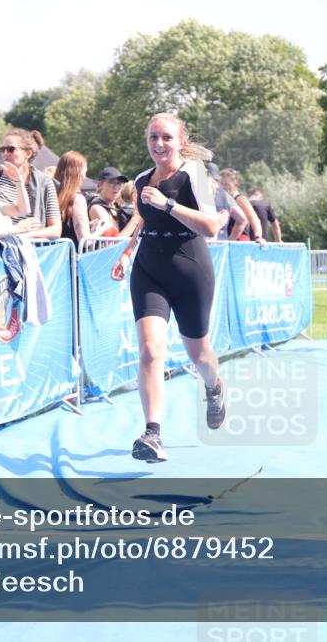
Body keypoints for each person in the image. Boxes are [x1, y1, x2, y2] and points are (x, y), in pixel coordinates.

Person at [110, 112, 226, 463]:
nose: (159, 144)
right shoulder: (142, 179)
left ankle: (214, 385)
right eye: (153, 138)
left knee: (199, 354)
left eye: (166, 138)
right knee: (149, 349)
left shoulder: (197, 176)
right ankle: (153, 433)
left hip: (190, 270)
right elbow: (143, 220)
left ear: (180, 141)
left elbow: (212, 227)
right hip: (149, 270)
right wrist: (127, 252)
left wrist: (170, 204)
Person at [0, 128, 61, 239]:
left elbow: (56, 230)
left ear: (28, 153)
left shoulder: (44, 183)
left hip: (31, 249)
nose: (5, 153)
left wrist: (25, 236)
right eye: (2, 149)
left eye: (11, 149)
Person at [219, 168, 266, 244]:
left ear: (236, 185)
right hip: (227, 241)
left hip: (240, 242)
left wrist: (258, 237)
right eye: (221, 184)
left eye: (227, 185)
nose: (223, 188)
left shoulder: (240, 199)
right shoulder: (223, 199)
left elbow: (254, 218)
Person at [55, 151, 90, 249]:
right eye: (84, 172)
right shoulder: (78, 199)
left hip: (53, 258)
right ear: (76, 173)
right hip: (72, 259)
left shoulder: (51, 195)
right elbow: (85, 240)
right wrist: (102, 229)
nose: (85, 177)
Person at [88, 167, 129, 237]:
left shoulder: (117, 206)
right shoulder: (96, 207)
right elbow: (113, 239)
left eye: (119, 183)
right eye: (112, 182)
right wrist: (135, 220)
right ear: (100, 185)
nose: (116, 187)